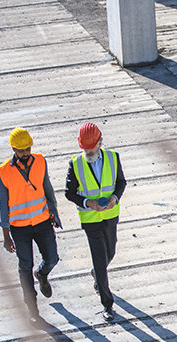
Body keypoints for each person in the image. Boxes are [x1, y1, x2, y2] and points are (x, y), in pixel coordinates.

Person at [0, 127, 61, 322]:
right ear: (13, 149)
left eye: (27, 149)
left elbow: (48, 189)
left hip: (42, 222)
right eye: (21, 150)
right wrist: (6, 235)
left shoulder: (40, 161)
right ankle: (32, 309)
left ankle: (42, 274)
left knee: (53, 258)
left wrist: (54, 214)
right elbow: (2, 205)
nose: (25, 153)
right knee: (25, 266)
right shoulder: (3, 172)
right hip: (19, 228)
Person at [65, 122, 127, 321]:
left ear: (100, 142)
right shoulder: (75, 164)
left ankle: (96, 274)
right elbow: (69, 193)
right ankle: (107, 305)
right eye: (85, 149)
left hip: (110, 215)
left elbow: (121, 183)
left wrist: (115, 198)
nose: (88, 152)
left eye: (91, 148)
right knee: (100, 260)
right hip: (90, 220)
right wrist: (86, 202)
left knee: (111, 251)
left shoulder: (113, 158)